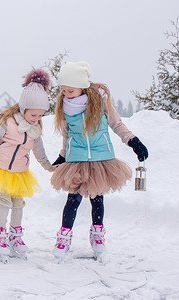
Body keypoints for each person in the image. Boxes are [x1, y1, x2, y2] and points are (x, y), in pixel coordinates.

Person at [50, 61, 149, 259]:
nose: (66, 94)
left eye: (70, 90)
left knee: (97, 199)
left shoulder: (101, 101)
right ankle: (64, 237)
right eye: (63, 90)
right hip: (76, 158)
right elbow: (66, 134)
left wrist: (133, 141)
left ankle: (97, 235)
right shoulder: (65, 106)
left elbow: (116, 123)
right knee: (73, 199)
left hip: (101, 157)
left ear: (82, 86)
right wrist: (63, 155)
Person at [0, 68, 54, 261]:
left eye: (40, 116)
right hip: (0, 168)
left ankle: (15, 237)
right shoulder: (9, 122)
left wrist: (48, 166)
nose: (37, 119)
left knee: (18, 205)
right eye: (34, 115)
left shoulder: (36, 128)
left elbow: (39, 151)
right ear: (24, 109)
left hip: (20, 172)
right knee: (4, 202)